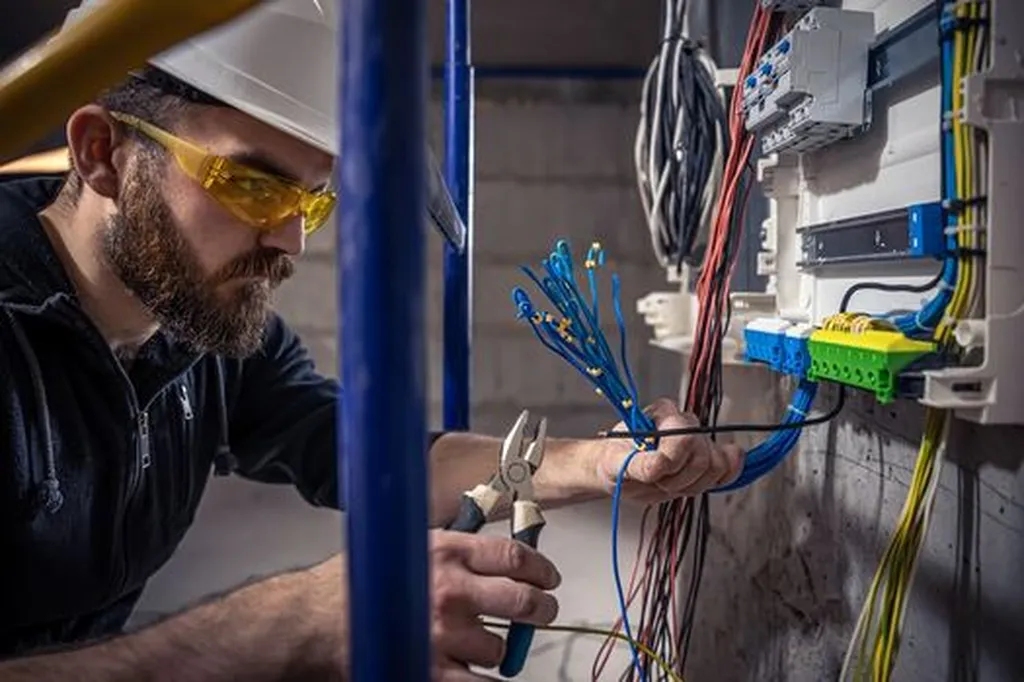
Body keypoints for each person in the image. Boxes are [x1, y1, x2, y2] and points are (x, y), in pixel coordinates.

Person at [0, 1, 744, 680]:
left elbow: (363, 452)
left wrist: (599, 462)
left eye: (312, 199)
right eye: (253, 186)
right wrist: (289, 622)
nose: (289, 239)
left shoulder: (202, 326)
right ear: (102, 153)